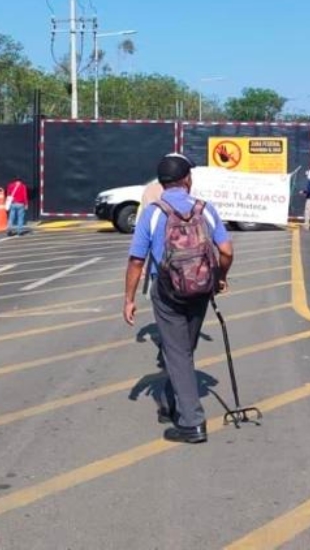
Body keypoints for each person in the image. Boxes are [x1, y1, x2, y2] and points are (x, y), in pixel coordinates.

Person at [123, 153, 233, 445]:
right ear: (187, 180)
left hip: (167, 289)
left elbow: (136, 260)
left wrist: (129, 298)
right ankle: (171, 402)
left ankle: (192, 423)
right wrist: (220, 277)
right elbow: (227, 251)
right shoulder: (205, 209)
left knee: (177, 351)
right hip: (201, 287)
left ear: (161, 183)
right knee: (184, 348)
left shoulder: (154, 212)